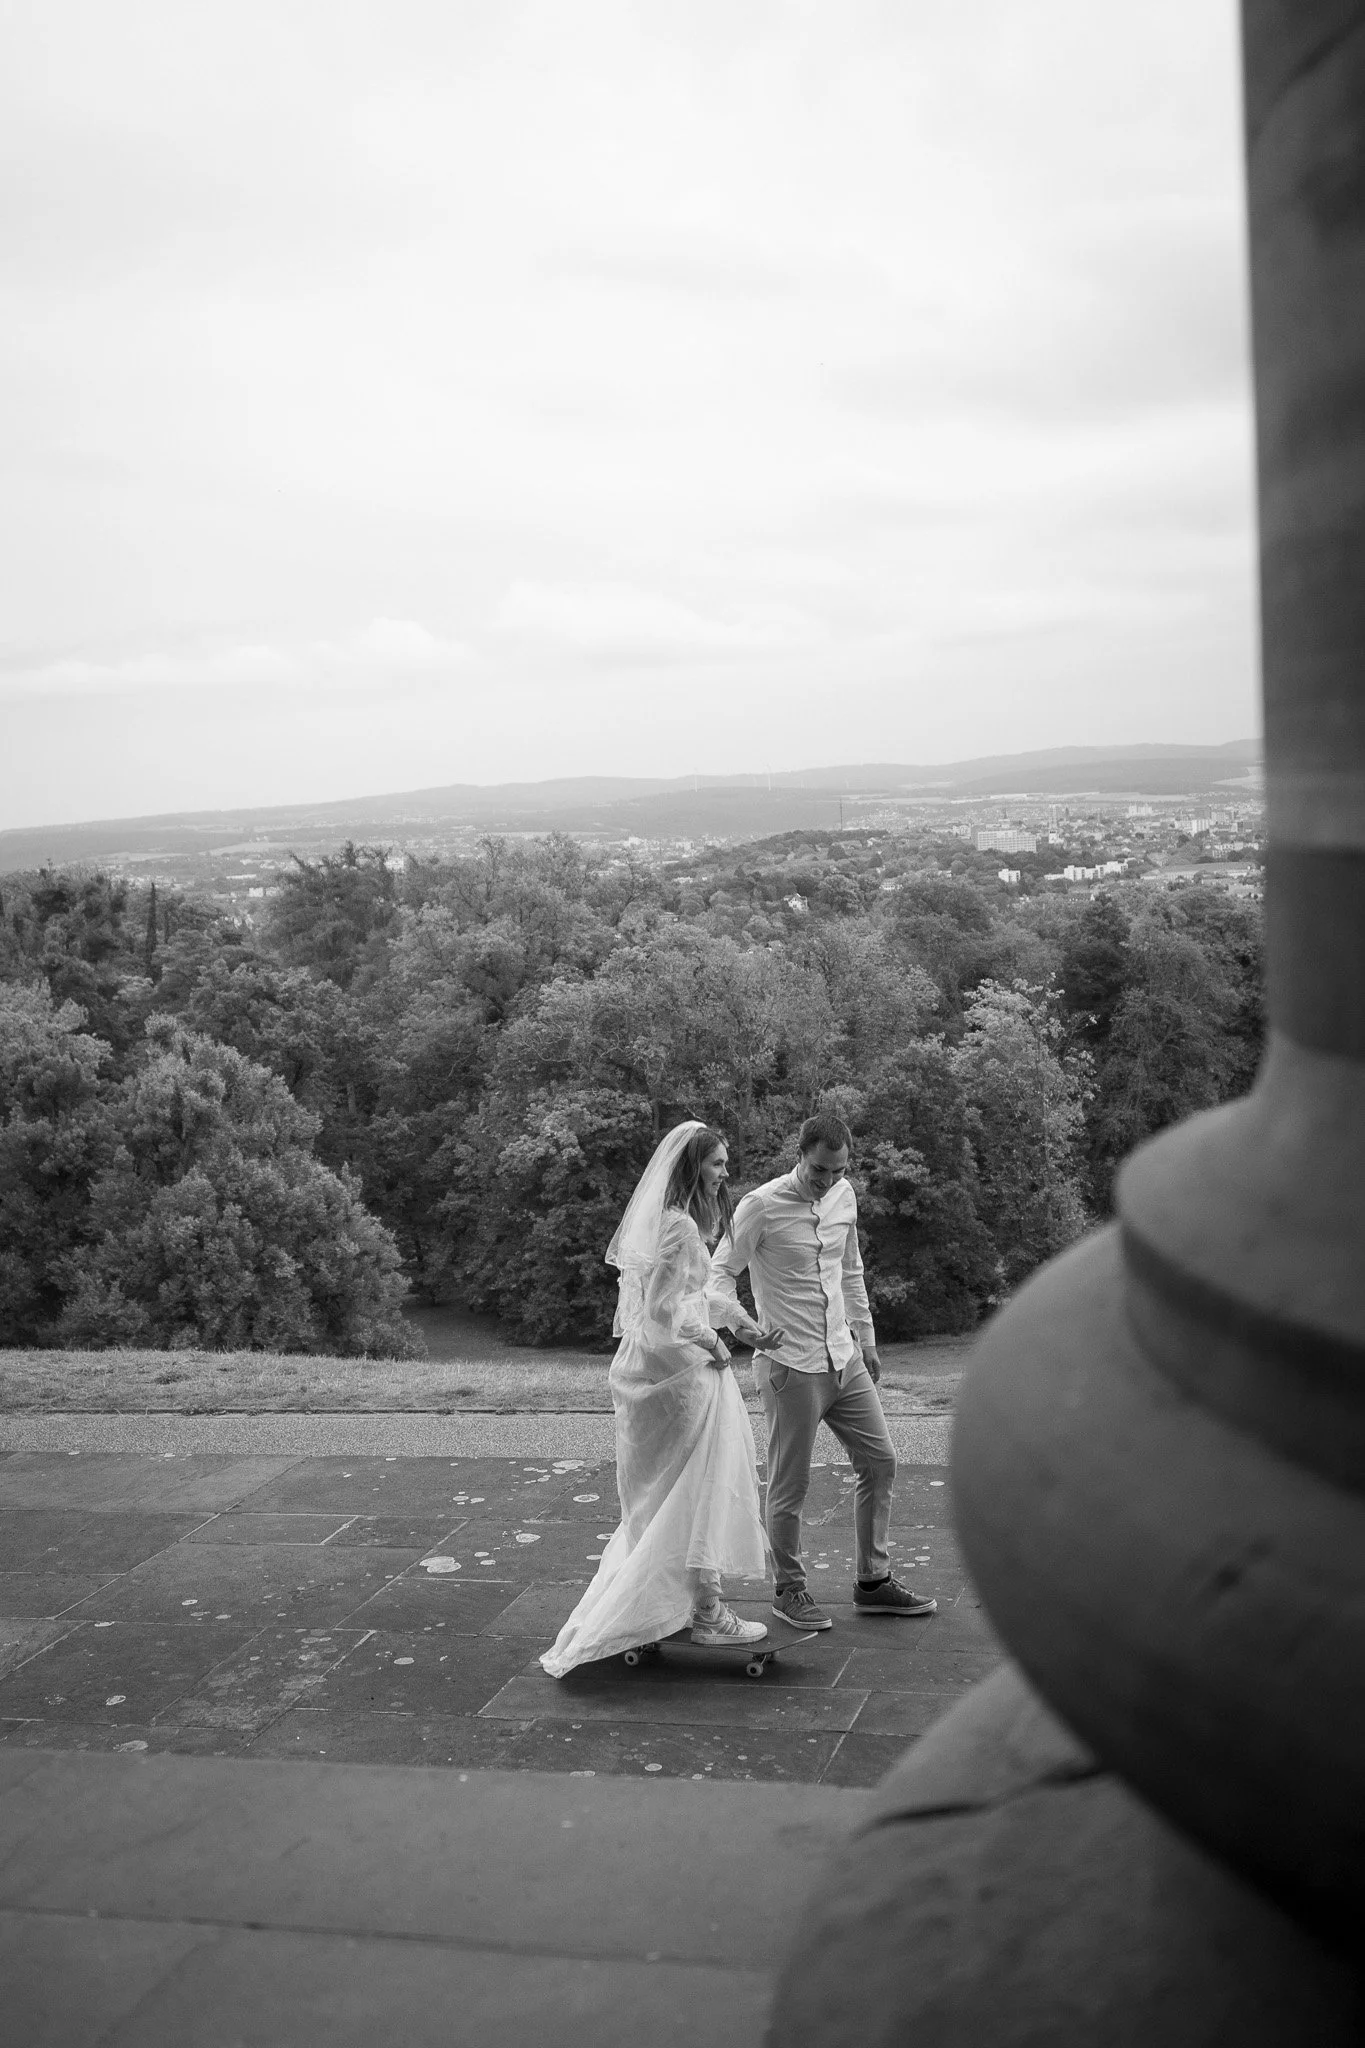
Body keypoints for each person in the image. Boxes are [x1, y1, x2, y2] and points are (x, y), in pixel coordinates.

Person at [541, 1120, 784, 1678]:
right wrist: (715, 1345)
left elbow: (693, 1296)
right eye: (717, 1163)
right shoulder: (680, 1227)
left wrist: (744, 1327)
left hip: (655, 1368)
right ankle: (707, 1612)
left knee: (669, 1495)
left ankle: (677, 1605)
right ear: (692, 1167)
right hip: (679, 1375)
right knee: (701, 1487)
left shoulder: (668, 1223)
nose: (724, 1174)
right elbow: (664, 1309)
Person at [708, 1112, 937, 1632]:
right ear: (800, 1155)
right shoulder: (760, 1206)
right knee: (790, 1485)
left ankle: (873, 1582)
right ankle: (788, 1589)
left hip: (843, 1355)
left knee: (880, 1461)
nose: (828, 1181)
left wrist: (867, 1339)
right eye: (819, 1170)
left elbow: (850, 1270)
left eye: (838, 1171)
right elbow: (718, 1275)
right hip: (790, 1365)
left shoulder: (844, 1196)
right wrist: (743, 1327)